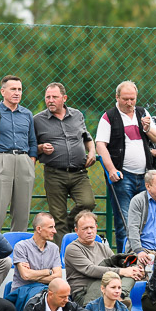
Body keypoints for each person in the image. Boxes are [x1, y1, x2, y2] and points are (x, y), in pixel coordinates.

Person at [94, 81, 156, 250]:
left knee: (146, 220)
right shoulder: (109, 116)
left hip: (145, 176)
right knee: (124, 222)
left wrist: (147, 129)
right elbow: (100, 145)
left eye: (132, 99)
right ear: (117, 97)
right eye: (125, 99)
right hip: (122, 176)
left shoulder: (142, 113)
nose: (129, 103)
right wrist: (111, 169)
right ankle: (126, 258)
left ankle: (146, 256)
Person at [34, 82, 96, 246]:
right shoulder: (38, 120)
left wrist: (92, 151)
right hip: (54, 173)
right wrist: (41, 148)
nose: (50, 100)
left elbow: (87, 138)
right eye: (47, 97)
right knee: (57, 217)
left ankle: (70, 224)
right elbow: (30, 146)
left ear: (64, 98)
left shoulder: (77, 115)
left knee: (87, 203)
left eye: (54, 97)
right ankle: (62, 255)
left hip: (79, 173)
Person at [0, 75, 37, 232]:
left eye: (19, 89)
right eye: (13, 89)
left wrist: (31, 161)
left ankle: (19, 244)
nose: (17, 93)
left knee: (23, 210)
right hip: (1, 159)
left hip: (24, 161)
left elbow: (32, 141)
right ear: (3, 92)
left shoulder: (27, 114)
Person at [64, 210, 143, 307]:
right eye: (85, 228)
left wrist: (135, 271)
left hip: (107, 287)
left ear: (96, 228)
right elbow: (90, 270)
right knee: (118, 277)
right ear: (76, 231)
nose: (89, 231)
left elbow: (116, 265)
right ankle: (118, 297)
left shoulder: (102, 247)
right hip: (84, 294)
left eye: (92, 227)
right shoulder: (72, 249)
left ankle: (122, 294)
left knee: (130, 275)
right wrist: (123, 271)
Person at [9, 213, 62, 311]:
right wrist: (48, 271)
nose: (54, 231)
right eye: (51, 227)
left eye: (54, 227)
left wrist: (33, 274)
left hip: (44, 291)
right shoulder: (21, 246)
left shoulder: (54, 248)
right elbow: (26, 276)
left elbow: (58, 276)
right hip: (23, 291)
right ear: (39, 229)